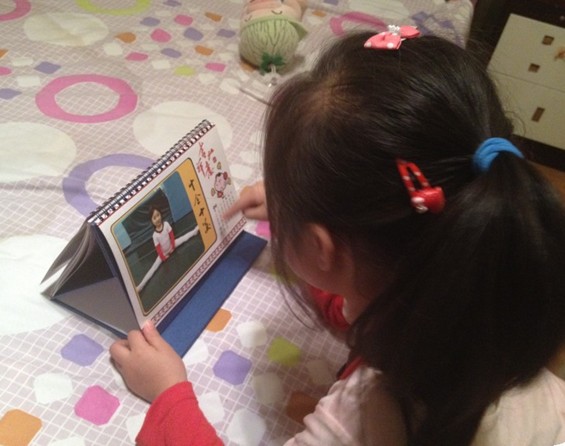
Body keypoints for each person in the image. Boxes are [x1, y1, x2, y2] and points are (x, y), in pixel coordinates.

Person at [110, 29, 565, 445]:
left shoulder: (366, 416)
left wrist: (168, 394)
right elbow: (368, 291)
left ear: (321, 248)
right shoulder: (491, 291)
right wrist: (306, 213)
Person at [136, 205, 199, 292]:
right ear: (152, 221)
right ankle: (140, 286)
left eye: (158, 215)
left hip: (172, 245)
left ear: (160, 214)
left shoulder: (166, 224)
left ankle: (194, 231)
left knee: (184, 238)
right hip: (163, 253)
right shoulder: (155, 235)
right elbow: (158, 248)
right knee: (153, 268)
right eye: (154, 218)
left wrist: (172, 245)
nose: (157, 219)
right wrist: (163, 257)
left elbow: (171, 235)